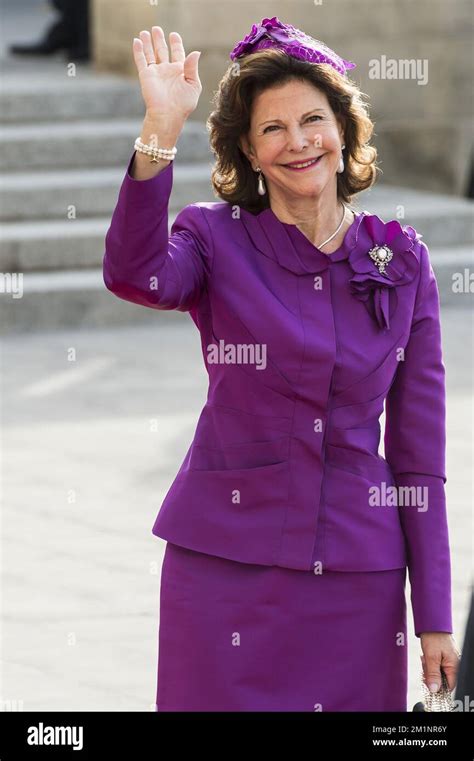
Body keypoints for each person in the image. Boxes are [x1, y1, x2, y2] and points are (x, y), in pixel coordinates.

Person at [102, 19, 461, 711]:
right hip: (223, 568)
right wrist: (160, 130)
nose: (298, 142)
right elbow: (135, 276)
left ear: (345, 131)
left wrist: (437, 616)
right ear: (250, 151)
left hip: (358, 580)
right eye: (273, 129)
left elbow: (419, 455)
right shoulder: (213, 238)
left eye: (313, 120)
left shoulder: (404, 261)